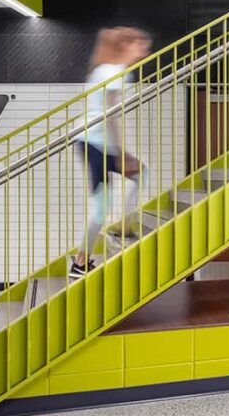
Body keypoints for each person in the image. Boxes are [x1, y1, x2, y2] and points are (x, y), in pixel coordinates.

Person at [71, 26, 153, 279]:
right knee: (101, 208)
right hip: (97, 143)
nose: (144, 51)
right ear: (124, 46)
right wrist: (119, 153)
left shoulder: (103, 70)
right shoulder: (116, 72)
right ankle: (82, 262)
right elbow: (110, 115)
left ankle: (120, 230)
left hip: (91, 141)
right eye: (140, 45)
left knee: (140, 175)